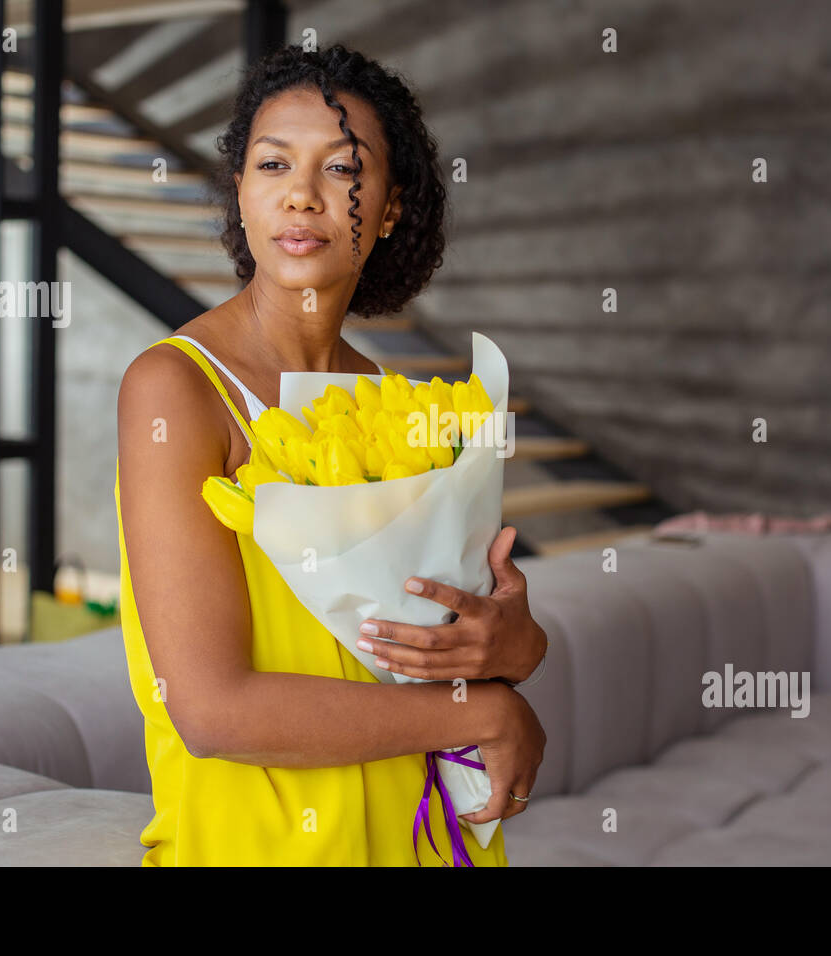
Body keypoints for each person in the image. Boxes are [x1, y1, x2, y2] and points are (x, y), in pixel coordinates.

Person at [114, 43, 547, 866]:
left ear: (388, 209)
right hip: (260, 845)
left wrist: (517, 647)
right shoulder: (175, 388)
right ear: (241, 195)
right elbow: (210, 712)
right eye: (272, 164)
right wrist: (480, 712)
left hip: (423, 834)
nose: (302, 195)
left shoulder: (396, 404)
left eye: (343, 170)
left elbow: (436, 635)